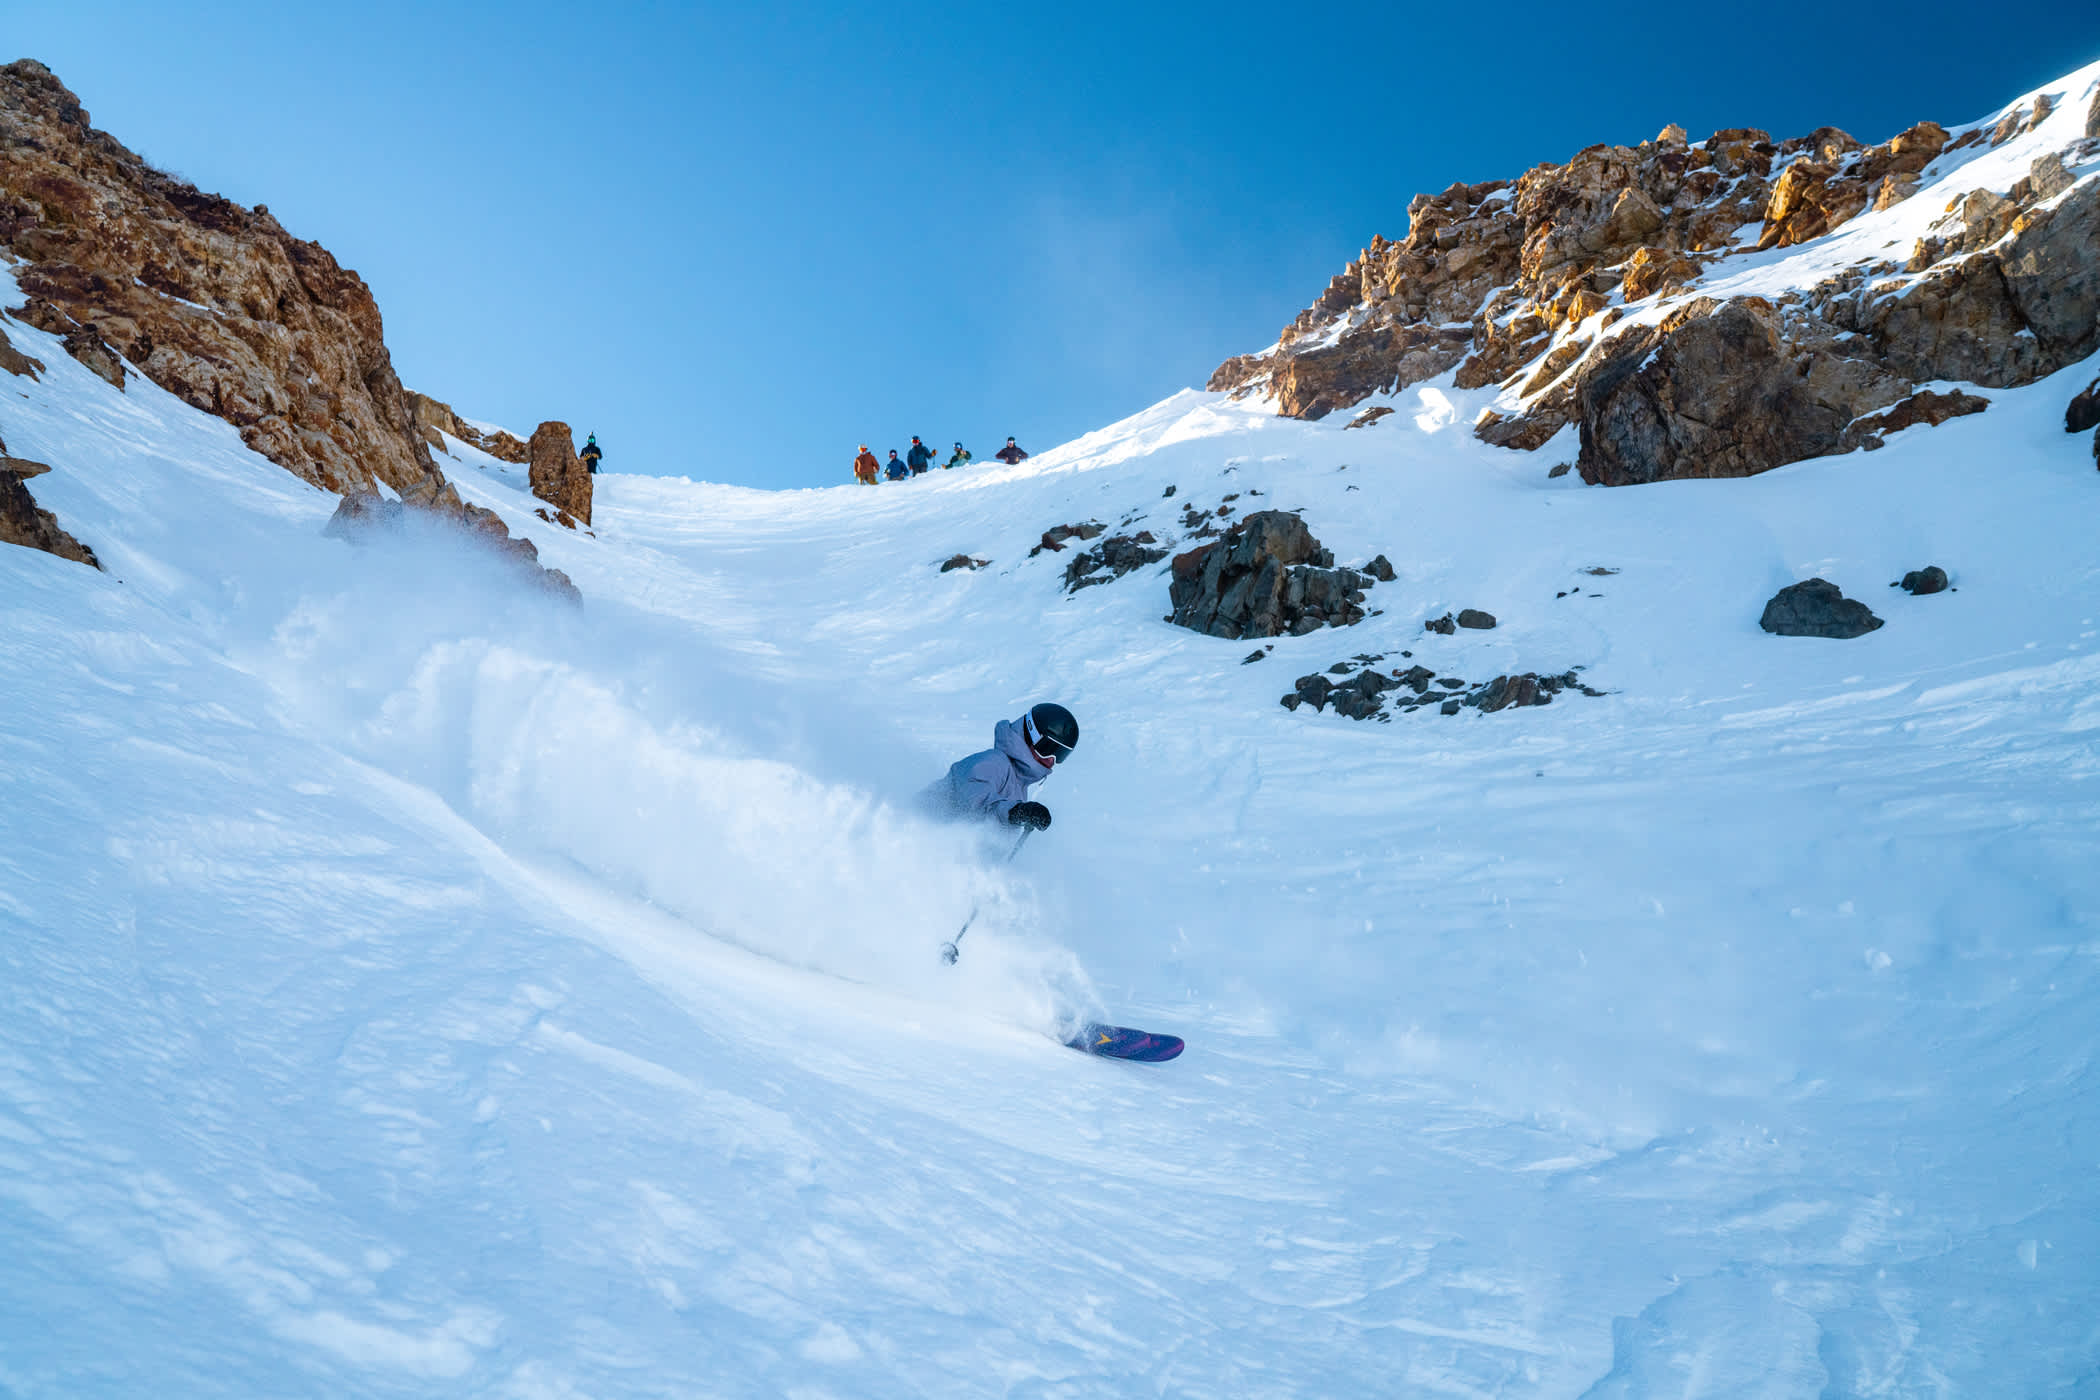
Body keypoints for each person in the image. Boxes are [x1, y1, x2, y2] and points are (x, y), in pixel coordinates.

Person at [923, 702, 1078, 829]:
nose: (1051, 760)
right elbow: (975, 807)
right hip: (920, 836)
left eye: (1060, 754)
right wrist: (1017, 812)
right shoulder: (993, 763)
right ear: (1031, 735)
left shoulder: (1018, 783)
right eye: (1048, 748)